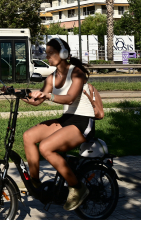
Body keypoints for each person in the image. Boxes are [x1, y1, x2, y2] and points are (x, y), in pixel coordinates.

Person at [22, 38, 95, 211]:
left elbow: (70, 98)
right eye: (46, 54)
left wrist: (49, 96)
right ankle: (35, 183)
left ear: (63, 53)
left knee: (46, 148)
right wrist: (19, 94)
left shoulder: (77, 73)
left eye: (51, 53)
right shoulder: (52, 78)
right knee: (29, 136)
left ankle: (78, 188)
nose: (48, 57)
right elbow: (37, 101)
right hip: (68, 119)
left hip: (83, 120)